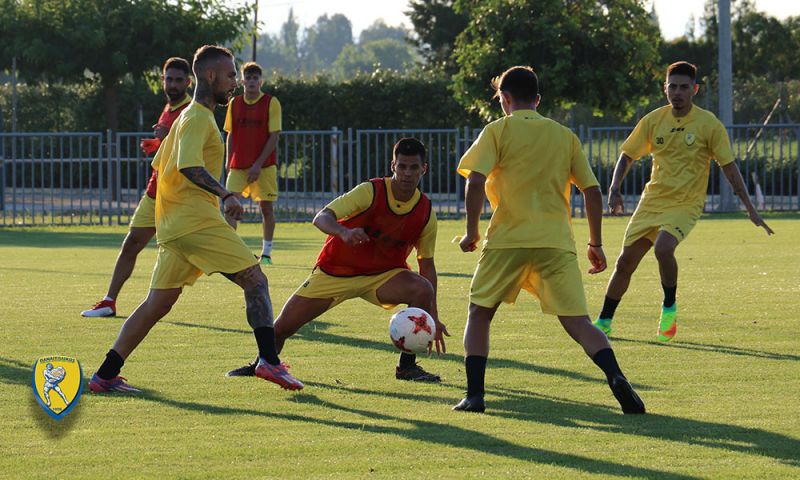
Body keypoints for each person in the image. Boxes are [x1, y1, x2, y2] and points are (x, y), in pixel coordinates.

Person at [88, 45, 303, 393]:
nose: (235, 82)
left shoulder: (187, 116)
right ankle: (269, 361)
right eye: (231, 75)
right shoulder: (198, 117)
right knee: (256, 280)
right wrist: (226, 194)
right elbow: (188, 165)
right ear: (211, 76)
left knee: (156, 304)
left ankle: (104, 375)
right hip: (195, 222)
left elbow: (162, 165)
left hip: (174, 227)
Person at [454, 66, 645, 414]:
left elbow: (475, 181)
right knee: (578, 322)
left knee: (479, 314)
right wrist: (596, 243)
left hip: (507, 240)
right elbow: (591, 189)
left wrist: (471, 231)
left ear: (505, 99)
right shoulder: (564, 135)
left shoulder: (497, 131)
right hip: (556, 243)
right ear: (538, 100)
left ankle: (475, 395)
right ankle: (616, 376)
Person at [225, 138, 449, 382]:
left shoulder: (425, 212)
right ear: (392, 165)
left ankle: (406, 368)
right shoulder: (370, 191)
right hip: (335, 273)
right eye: (402, 166)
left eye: (413, 167)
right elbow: (321, 217)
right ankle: (261, 365)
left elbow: (427, 265)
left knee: (421, 289)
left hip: (383, 276)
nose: (407, 173)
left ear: (424, 169)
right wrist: (344, 232)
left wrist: (432, 318)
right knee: (280, 330)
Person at [594, 61, 774, 342]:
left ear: (695, 89)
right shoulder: (654, 120)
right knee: (624, 263)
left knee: (663, 249)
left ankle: (669, 307)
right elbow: (628, 154)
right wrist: (614, 188)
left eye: (683, 87)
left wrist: (750, 209)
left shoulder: (708, 124)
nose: (677, 92)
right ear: (665, 88)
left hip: (686, 203)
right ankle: (604, 321)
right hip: (652, 200)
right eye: (672, 87)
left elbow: (729, 166)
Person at [81, 57, 192, 318]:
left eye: (178, 80)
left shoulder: (190, 111)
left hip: (177, 197)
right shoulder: (169, 107)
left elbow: (189, 155)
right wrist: (157, 145)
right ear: (163, 79)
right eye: (169, 79)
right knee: (131, 243)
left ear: (188, 82)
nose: (173, 84)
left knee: (191, 254)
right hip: (155, 191)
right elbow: (166, 148)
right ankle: (109, 301)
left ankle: (251, 279)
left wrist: (162, 143)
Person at [223, 61, 281, 265]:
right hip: (238, 165)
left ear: (261, 81)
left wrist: (258, 164)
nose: (252, 81)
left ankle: (266, 253)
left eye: (255, 78)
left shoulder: (271, 102)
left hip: (264, 166)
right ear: (242, 81)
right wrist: (228, 159)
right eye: (248, 77)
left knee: (266, 209)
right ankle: (230, 252)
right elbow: (229, 133)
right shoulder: (234, 103)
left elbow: (274, 136)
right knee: (230, 205)